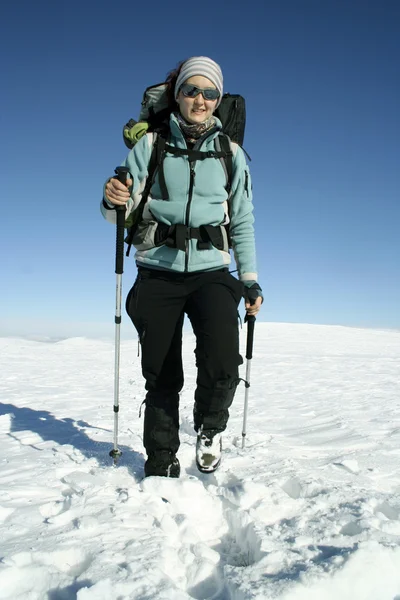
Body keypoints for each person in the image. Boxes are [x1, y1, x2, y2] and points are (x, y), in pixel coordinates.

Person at [101, 56, 262, 478]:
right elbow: (119, 208)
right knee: (161, 369)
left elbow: (242, 219)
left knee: (224, 357)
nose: (201, 99)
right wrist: (114, 198)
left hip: (211, 270)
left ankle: (210, 428)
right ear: (178, 95)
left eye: (210, 93)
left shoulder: (232, 153)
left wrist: (250, 280)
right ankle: (160, 456)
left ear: (218, 99)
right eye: (192, 90)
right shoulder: (150, 145)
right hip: (158, 268)